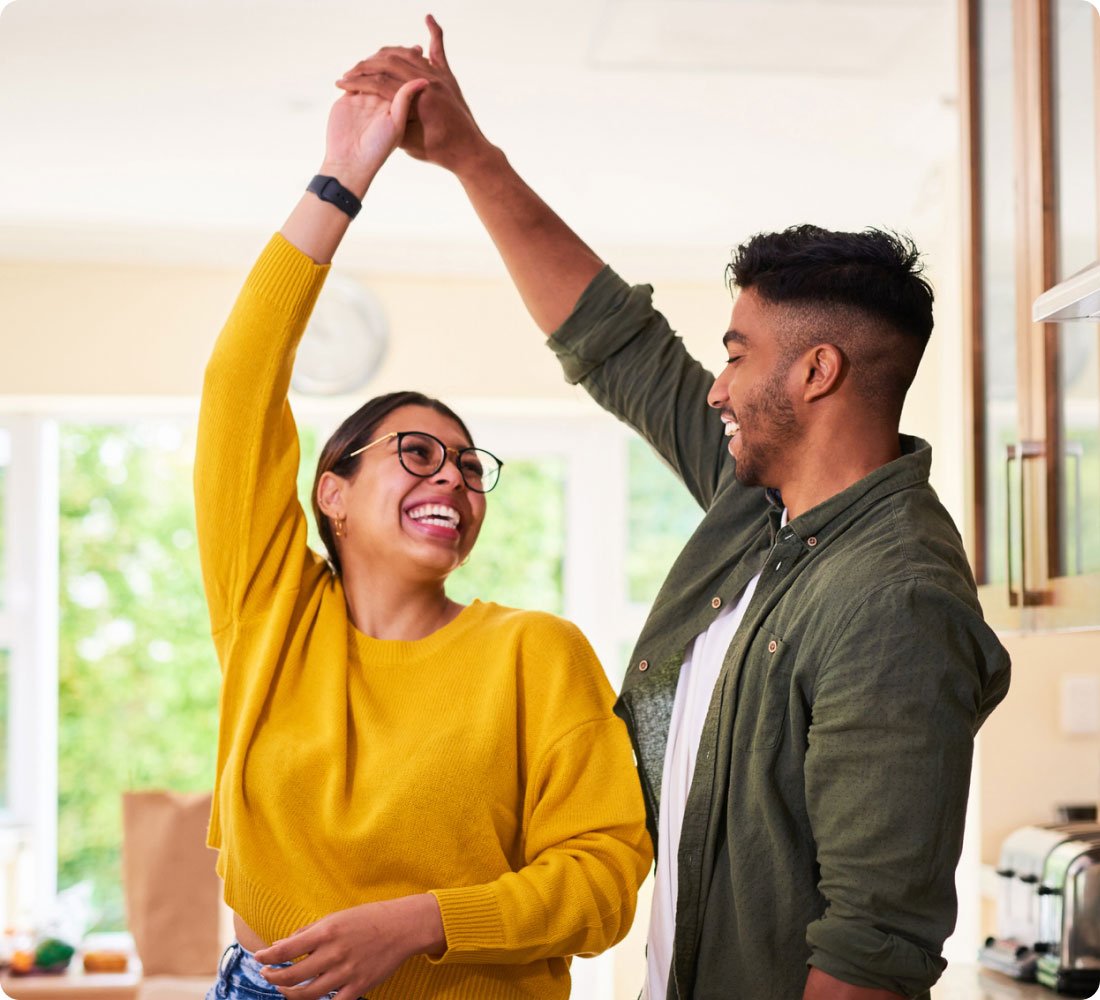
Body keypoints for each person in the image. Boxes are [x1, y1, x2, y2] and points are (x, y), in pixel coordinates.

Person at [335, 18, 1013, 1000]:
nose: (714, 386)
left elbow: (870, 949)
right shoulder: (763, 516)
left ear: (815, 373)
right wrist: (468, 158)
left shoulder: (891, 600)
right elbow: (619, 346)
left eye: (735, 353)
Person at [193, 70, 652, 1000]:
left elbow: (605, 880)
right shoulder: (270, 613)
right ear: (334, 490)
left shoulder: (535, 654)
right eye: (416, 452)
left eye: (470, 465)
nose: (453, 475)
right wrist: (339, 178)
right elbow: (238, 388)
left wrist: (423, 923)